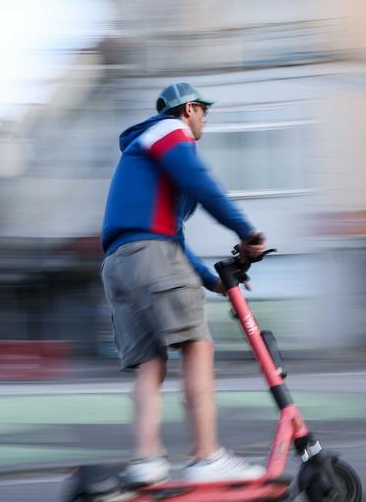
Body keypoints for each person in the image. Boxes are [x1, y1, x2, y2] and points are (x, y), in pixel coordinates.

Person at [100, 81, 268, 485]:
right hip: (152, 255)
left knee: (150, 364)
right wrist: (246, 231)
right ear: (189, 108)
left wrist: (210, 281)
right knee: (197, 346)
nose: (204, 120)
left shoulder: (145, 147)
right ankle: (206, 456)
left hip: (120, 263)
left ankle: (146, 460)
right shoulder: (169, 132)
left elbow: (171, 233)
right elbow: (203, 185)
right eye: (204, 112)